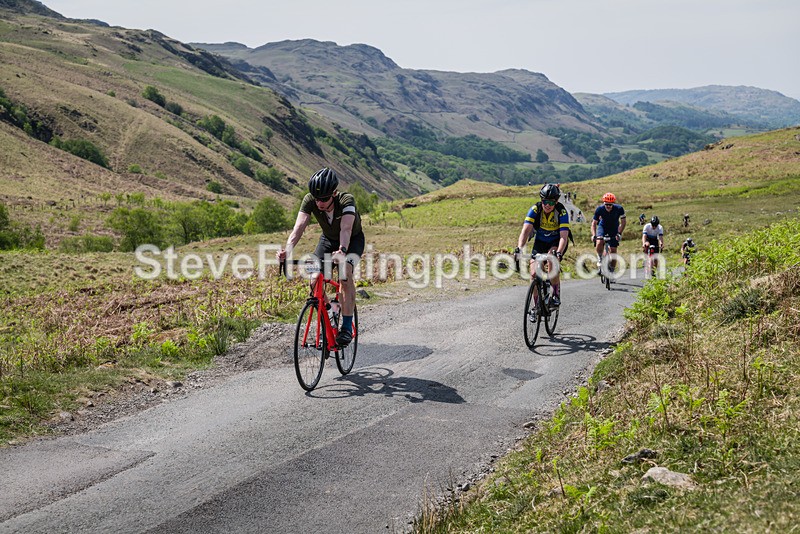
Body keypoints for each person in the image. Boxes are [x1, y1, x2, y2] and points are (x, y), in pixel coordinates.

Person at [278, 168, 364, 347]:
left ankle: (346, 328)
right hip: (327, 240)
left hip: (351, 240)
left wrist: (342, 251)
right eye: (317, 198)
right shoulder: (310, 200)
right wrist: (288, 250)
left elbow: (346, 229)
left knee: (345, 275)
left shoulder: (346, 200)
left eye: (324, 199)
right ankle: (331, 313)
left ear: (334, 193)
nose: (319, 203)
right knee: (314, 279)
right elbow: (299, 227)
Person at [514, 183, 571, 307]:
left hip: (556, 242)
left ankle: (555, 295)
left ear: (556, 202)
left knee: (551, 260)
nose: (547, 205)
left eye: (551, 202)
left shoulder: (561, 212)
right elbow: (525, 231)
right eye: (545, 201)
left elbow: (563, 236)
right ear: (541, 200)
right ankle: (537, 306)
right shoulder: (536, 209)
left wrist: (559, 252)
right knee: (534, 274)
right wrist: (519, 248)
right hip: (540, 242)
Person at [591, 192, 626, 275]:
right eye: (606, 204)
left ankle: (612, 271)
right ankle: (600, 258)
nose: (608, 206)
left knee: (613, 251)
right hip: (603, 227)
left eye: (610, 205)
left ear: (613, 204)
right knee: (599, 241)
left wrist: (619, 233)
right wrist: (594, 235)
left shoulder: (619, 209)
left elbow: (623, 222)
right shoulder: (599, 209)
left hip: (614, 228)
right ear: (604, 203)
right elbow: (594, 223)